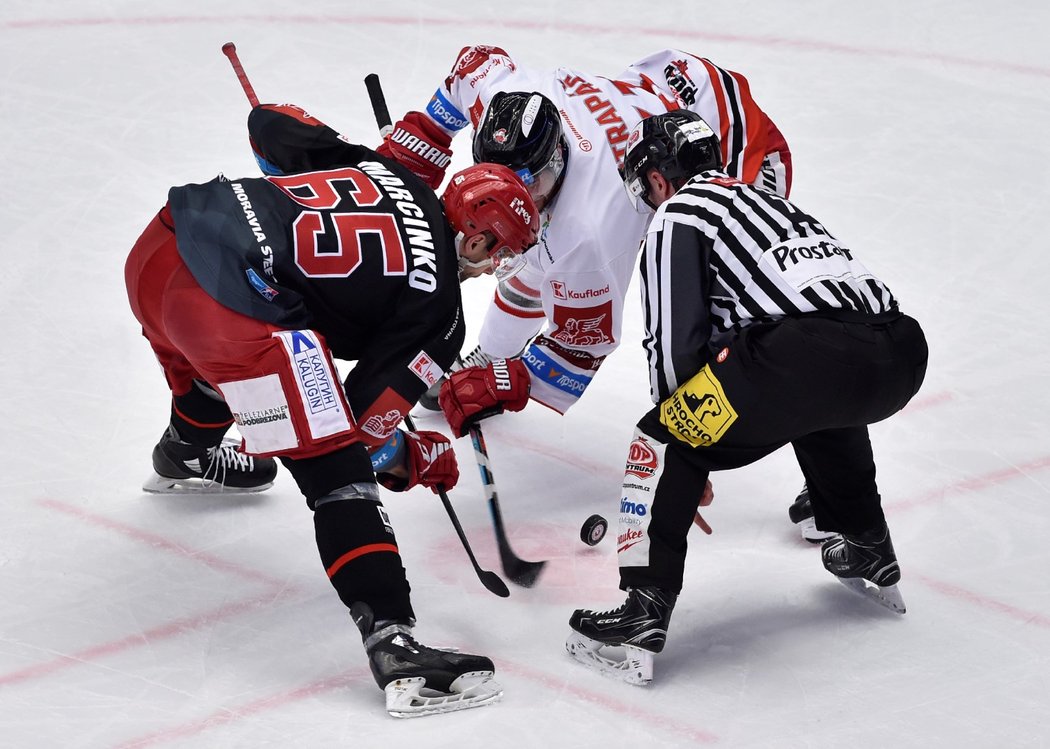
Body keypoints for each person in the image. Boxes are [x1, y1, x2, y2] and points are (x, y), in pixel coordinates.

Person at [124, 102, 539, 717]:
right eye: (500, 251)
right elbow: (362, 433)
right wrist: (412, 457)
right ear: (475, 236)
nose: (495, 266)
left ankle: (185, 450)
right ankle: (395, 647)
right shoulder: (440, 314)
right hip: (225, 306)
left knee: (233, 371)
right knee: (338, 475)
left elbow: (271, 125)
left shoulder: (386, 170)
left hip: (160, 248)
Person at [564, 111, 928, 685]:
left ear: (659, 178)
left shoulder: (680, 212)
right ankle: (865, 542)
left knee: (660, 436)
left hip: (807, 358)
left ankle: (643, 606)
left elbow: (672, 340)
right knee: (821, 401)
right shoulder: (771, 204)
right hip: (900, 355)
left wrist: (687, 442)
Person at [373, 46, 790, 425]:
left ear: (555, 156)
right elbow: (474, 65)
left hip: (735, 143)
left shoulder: (593, 229)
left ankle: (824, 432)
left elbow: (581, 345)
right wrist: (414, 149)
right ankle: (496, 353)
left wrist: (502, 385)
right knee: (537, 255)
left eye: (527, 185)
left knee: (751, 302)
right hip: (663, 88)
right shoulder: (505, 99)